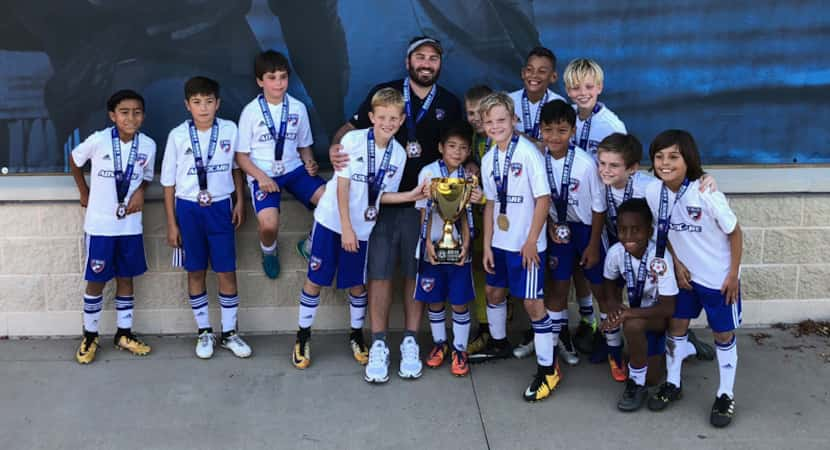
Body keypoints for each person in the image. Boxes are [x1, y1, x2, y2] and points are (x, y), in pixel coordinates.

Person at [329, 36, 463, 382]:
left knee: (415, 274)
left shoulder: (449, 101)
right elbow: (351, 128)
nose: (427, 63)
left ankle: (409, 342)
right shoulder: (385, 93)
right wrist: (333, 148)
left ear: (439, 65)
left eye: (433, 58)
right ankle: (378, 344)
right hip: (379, 204)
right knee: (380, 274)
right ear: (408, 62)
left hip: (424, 205)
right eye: (420, 56)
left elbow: (461, 149)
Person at [291, 88, 426, 375]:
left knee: (356, 283)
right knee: (316, 279)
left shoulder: (398, 154)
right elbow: (342, 186)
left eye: (393, 118)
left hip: (362, 229)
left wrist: (411, 195)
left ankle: (355, 335)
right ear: (371, 117)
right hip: (332, 222)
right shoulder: (352, 140)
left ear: (401, 121)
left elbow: (382, 196)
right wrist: (347, 228)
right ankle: (302, 336)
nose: (387, 123)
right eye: (382, 117)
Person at [644, 130, 743, 428]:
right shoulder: (653, 191)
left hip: (717, 278)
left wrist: (733, 275)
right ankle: (673, 383)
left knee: (722, 334)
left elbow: (735, 233)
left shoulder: (705, 192)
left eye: (674, 156)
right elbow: (665, 230)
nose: (665, 163)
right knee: (677, 325)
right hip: (684, 277)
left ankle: (725, 393)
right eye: (659, 156)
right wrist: (676, 262)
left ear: (689, 159)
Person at [597, 132, 716, 360]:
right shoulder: (599, 180)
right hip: (618, 245)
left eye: (613, 165)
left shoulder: (648, 186)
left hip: (652, 250)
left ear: (631, 168)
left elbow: (676, 194)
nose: (606, 170)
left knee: (665, 297)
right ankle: (611, 344)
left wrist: (705, 178)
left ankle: (681, 339)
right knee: (609, 293)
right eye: (602, 163)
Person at [470, 92, 555, 402]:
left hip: (527, 244)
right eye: (489, 122)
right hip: (502, 243)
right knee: (494, 293)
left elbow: (543, 199)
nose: (495, 126)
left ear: (514, 121)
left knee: (533, 304)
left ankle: (548, 368)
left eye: (501, 120)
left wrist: (532, 240)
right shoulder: (490, 157)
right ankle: (499, 343)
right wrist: (489, 245)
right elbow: (491, 202)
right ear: (482, 125)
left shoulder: (528, 153)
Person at [160, 76, 252, 359]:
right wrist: (172, 223)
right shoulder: (177, 135)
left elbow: (237, 167)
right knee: (196, 270)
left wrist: (239, 201)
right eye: (197, 102)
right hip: (188, 208)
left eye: (209, 102)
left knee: (226, 270)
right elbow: (168, 183)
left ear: (218, 103)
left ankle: (229, 333)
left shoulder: (229, 129)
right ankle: (204, 332)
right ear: (187, 105)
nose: (204, 108)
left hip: (221, 207)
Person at [69, 89, 156, 364]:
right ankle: (90, 335)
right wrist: (84, 191)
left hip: (130, 226)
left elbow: (146, 176)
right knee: (96, 279)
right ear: (112, 115)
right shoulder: (99, 140)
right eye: (124, 112)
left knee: (126, 277)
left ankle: (123, 333)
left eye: (137, 112)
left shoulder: (149, 145)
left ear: (143, 115)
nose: (131, 117)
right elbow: (74, 159)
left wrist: (141, 191)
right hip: (101, 225)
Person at [535, 100, 611, 377]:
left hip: (587, 229)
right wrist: (552, 223)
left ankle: (609, 342)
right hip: (558, 229)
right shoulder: (537, 160)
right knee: (558, 286)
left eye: (562, 130)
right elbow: (542, 201)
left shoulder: (585, 163)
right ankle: (553, 345)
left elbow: (599, 207)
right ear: (540, 129)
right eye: (548, 130)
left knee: (600, 287)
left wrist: (592, 244)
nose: (554, 137)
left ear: (573, 130)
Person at [236, 50, 325, 279]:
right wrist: (261, 178)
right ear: (259, 81)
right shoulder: (250, 112)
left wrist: (310, 162)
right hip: (263, 173)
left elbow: (304, 146)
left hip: (294, 169)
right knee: (268, 227)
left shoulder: (297, 108)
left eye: (283, 77)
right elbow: (241, 157)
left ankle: (309, 244)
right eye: (272, 77)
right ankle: (269, 251)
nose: (279, 83)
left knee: (330, 202)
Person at [561, 58, 628, 358]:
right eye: (575, 87)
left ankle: (613, 339)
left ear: (599, 87)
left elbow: (621, 170)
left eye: (588, 86)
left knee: (608, 283)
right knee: (590, 274)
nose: (582, 92)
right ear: (567, 90)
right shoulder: (569, 118)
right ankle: (600, 328)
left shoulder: (611, 125)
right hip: (581, 212)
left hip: (609, 214)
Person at [415, 122, 483, 377]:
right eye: (452, 146)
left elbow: (465, 215)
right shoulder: (428, 172)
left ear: (468, 152)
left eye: (463, 148)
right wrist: (426, 245)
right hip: (432, 247)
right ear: (441, 147)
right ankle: (439, 344)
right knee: (434, 299)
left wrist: (466, 244)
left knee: (459, 300)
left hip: (458, 251)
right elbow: (423, 213)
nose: (457, 152)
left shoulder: (468, 177)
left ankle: (460, 349)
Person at [602, 198, 678, 411]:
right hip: (640, 314)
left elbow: (668, 307)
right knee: (633, 331)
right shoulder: (616, 252)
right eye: (623, 230)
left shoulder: (659, 258)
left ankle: (683, 345)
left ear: (650, 230)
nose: (628, 236)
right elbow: (609, 286)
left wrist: (628, 314)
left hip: (660, 316)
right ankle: (638, 381)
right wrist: (614, 310)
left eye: (636, 230)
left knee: (652, 376)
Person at [462, 84, 494, 354]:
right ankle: (486, 327)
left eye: (479, 112)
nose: (475, 118)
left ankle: (499, 330)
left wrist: (483, 198)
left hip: (502, 220)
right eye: (470, 113)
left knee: (497, 272)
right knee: (482, 271)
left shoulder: (502, 139)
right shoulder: (475, 137)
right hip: (480, 218)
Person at [507, 46, 566, 142]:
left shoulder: (559, 103)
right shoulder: (509, 101)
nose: (534, 75)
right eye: (529, 70)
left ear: (553, 77)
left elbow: (555, 143)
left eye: (542, 71)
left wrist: (519, 135)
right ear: (523, 73)